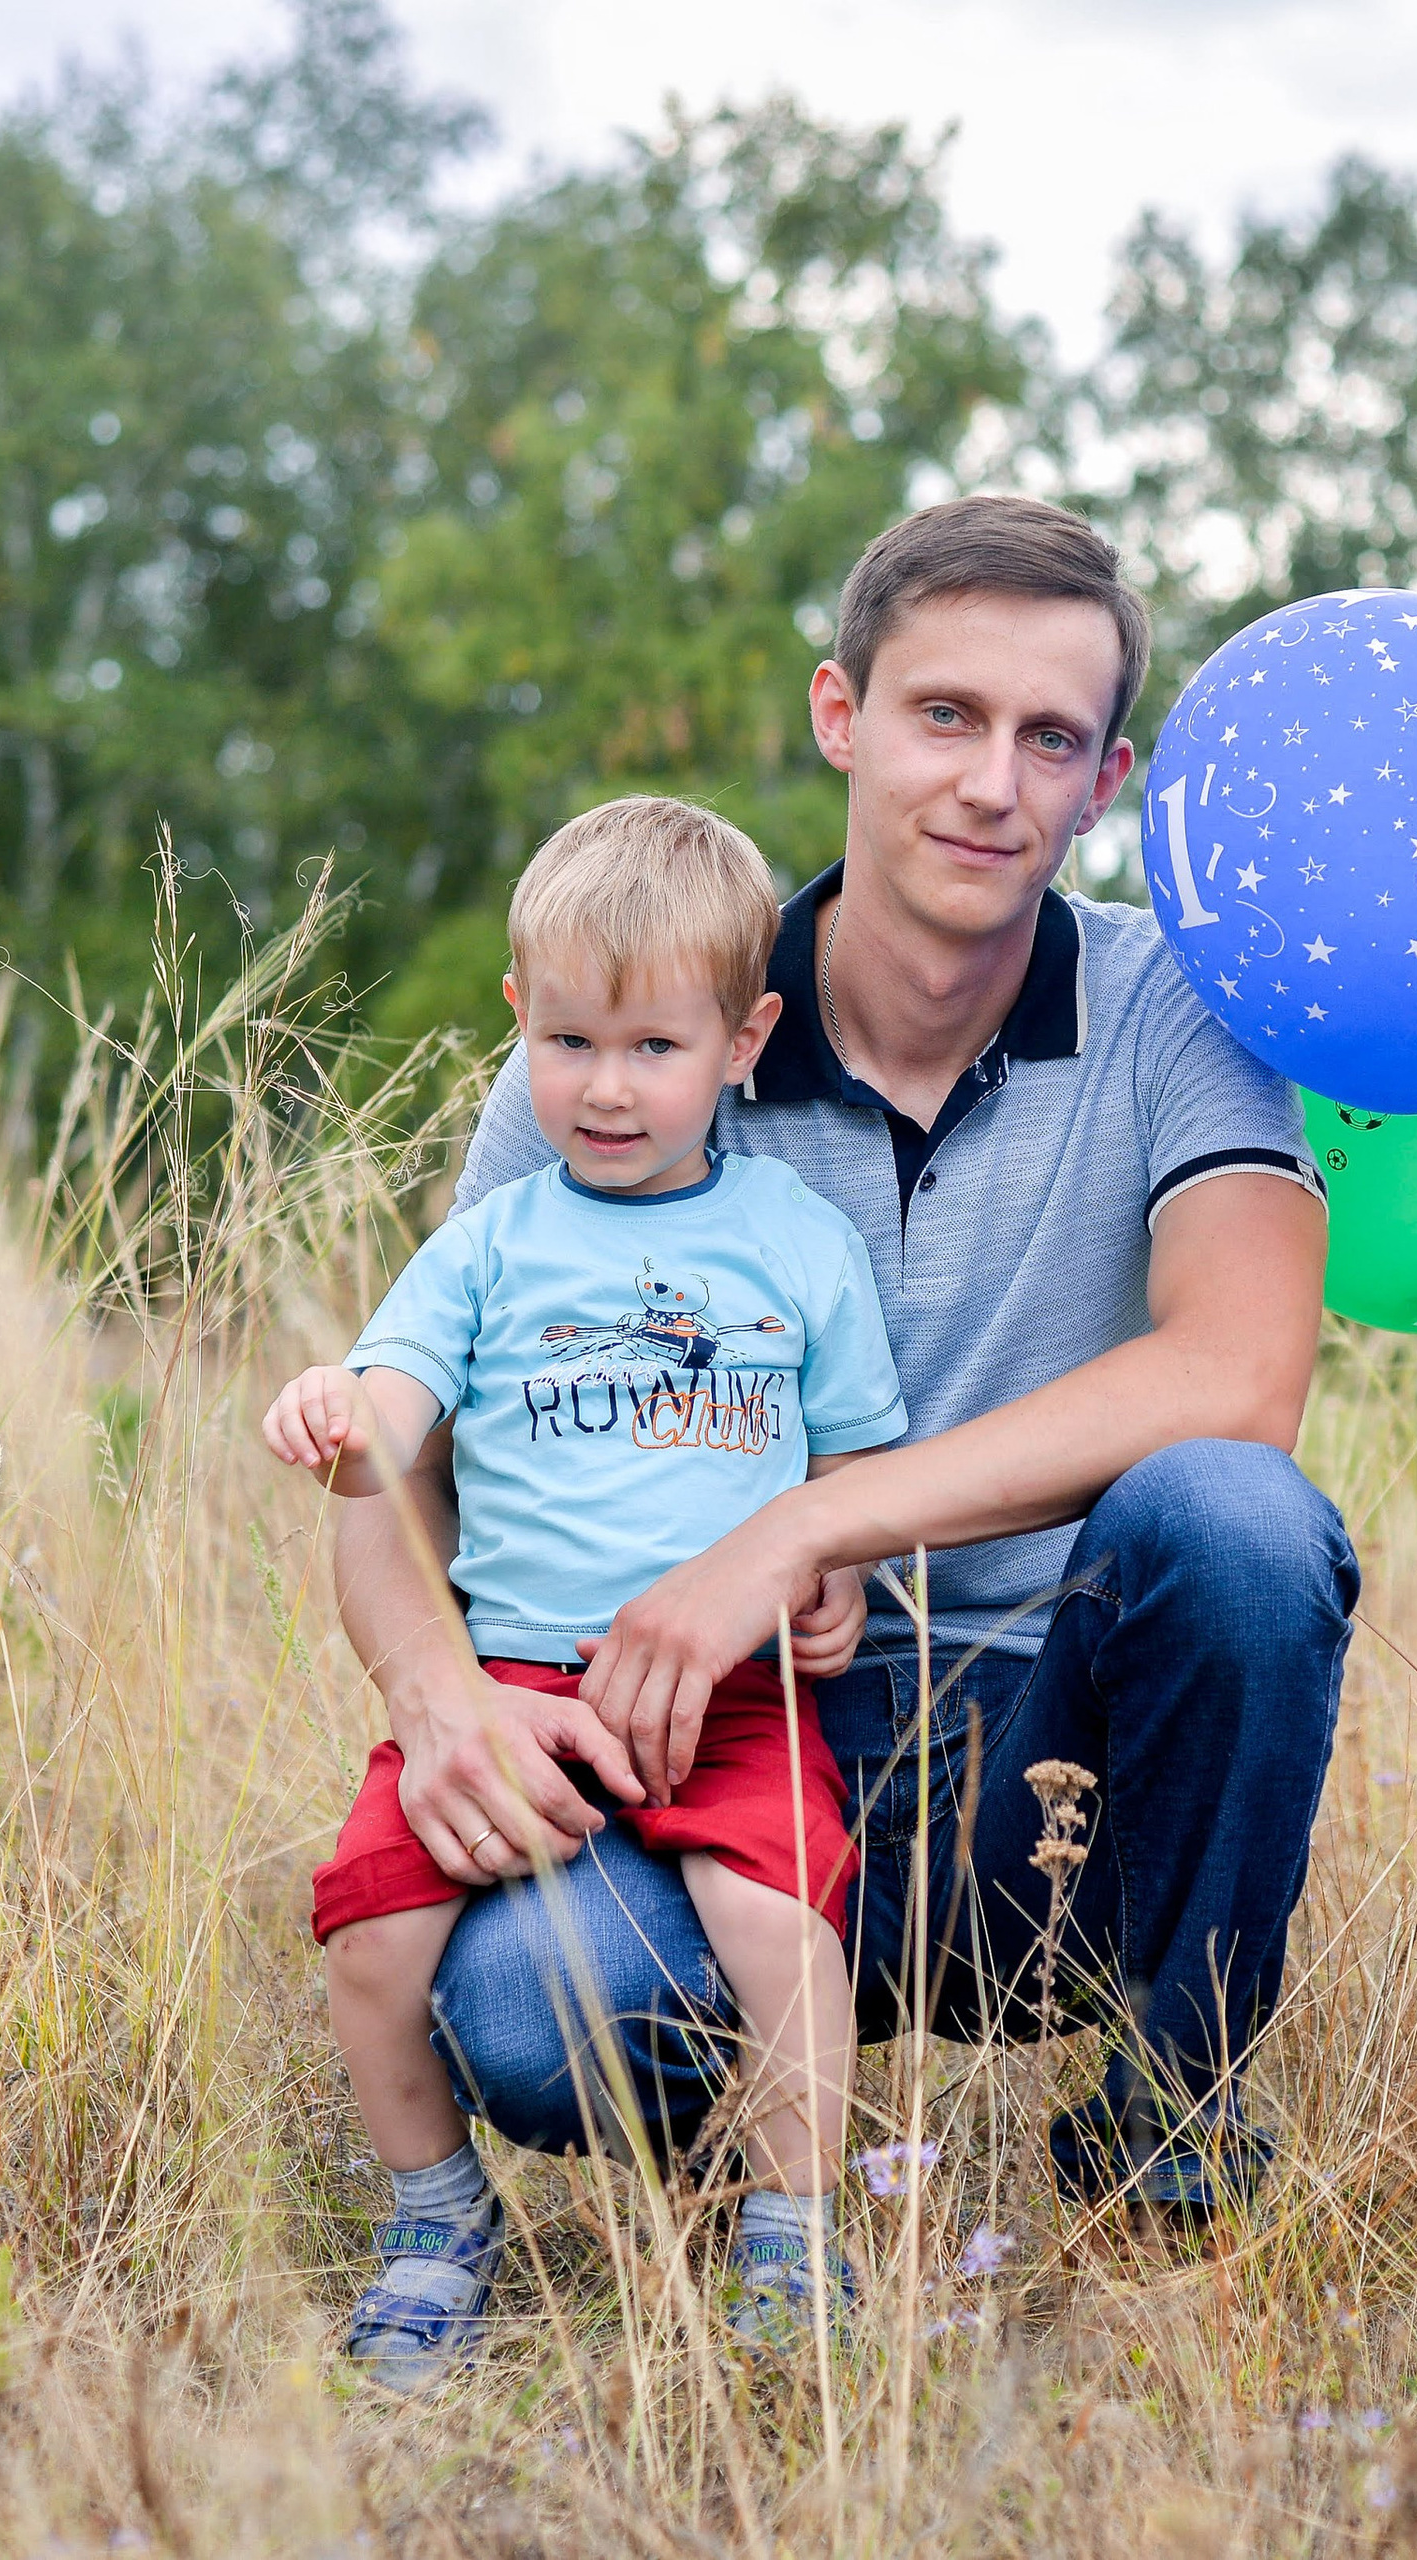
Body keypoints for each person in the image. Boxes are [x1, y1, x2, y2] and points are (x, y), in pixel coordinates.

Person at [325, 495, 1357, 2227]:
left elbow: (1241, 1374)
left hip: (1044, 1743)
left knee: (1242, 1525)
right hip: (696, 1737)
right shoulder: (635, 1032)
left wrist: (803, 1529)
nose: (990, 783)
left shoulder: (1179, 1002)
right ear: (840, 716)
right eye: (943, 715)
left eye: (1051, 740)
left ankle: (1168, 2143)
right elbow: (400, 1449)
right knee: (526, 2017)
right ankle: (756, 2139)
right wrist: (435, 1706)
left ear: (1108, 784)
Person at [269, 798, 904, 2383]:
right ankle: (433, 2221)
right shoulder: (491, 1246)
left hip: (736, 1693)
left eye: (652, 1047)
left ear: (745, 1039)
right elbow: (396, 1416)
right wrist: (342, 1427)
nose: (606, 1088)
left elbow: (856, 1478)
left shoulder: (795, 1241)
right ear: (518, 1026)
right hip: (516, 1685)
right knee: (371, 1950)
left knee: (785, 1935)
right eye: (568, 1041)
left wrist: (832, 1575)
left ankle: (793, 2234)